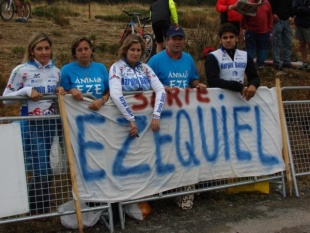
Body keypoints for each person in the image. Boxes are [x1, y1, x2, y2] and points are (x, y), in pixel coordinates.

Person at [3, 32, 65, 214]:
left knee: (47, 164)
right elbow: (6, 99)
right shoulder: (21, 70)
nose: (44, 52)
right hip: (31, 124)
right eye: (39, 48)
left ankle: (40, 207)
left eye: (47, 48)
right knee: (41, 167)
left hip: (51, 124)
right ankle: (36, 209)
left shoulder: (57, 71)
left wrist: (61, 91)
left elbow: (59, 97)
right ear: (32, 51)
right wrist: (26, 90)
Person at [148, 25, 207, 210]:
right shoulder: (156, 61)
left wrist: (199, 85)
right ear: (167, 40)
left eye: (180, 38)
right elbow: (144, 82)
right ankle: (165, 192)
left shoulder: (188, 59)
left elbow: (193, 79)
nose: (177, 42)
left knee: (185, 153)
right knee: (165, 154)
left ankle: (185, 193)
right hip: (162, 116)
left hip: (185, 117)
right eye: (174, 38)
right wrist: (158, 88)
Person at [109, 34, 166, 137]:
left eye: (138, 50)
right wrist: (131, 119)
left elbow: (160, 89)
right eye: (132, 50)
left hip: (147, 119)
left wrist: (156, 115)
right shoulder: (116, 67)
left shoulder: (145, 68)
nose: (135, 53)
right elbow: (115, 94)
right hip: (123, 120)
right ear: (126, 50)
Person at [205, 23, 260, 101]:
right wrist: (237, 86)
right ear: (220, 40)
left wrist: (253, 85)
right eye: (225, 38)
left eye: (231, 37)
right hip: (220, 99)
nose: (228, 40)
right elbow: (213, 81)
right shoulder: (213, 56)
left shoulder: (244, 55)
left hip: (239, 99)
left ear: (236, 38)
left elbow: (254, 77)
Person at [60, 36, 110, 111]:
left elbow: (109, 90)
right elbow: (62, 92)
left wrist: (102, 100)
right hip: (76, 114)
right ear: (75, 53)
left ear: (91, 50)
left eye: (86, 49)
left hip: (100, 112)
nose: (83, 52)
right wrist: (71, 91)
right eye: (79, 50)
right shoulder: (66, 70)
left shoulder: (101, 67)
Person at [241, 0, 273, 68]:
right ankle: (249, 68)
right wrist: (246, 28)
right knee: (250, 51)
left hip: (264, 33)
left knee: (262, 51)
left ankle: (261, 67)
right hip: (251, 32)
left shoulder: (266, 3)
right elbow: (243, 18)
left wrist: (269, 29)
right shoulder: (249, 3)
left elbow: (270, 17)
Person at [269, 0, 294, 71]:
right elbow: (270, 4)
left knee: (287, 41)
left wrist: (292, 15)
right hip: (277, 20)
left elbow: (290, 6)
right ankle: (277, 62)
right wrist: (273, 13)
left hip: (286, 20)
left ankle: (286, 61)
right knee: (276, 41)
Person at [292, 0, 310, 70]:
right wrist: (302, 9)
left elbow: (308, 11)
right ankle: (304, 62)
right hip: (299, 24)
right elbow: (294, 9)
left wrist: (300, 9)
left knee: (309, 43)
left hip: (308, 25)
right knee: (302, 44)